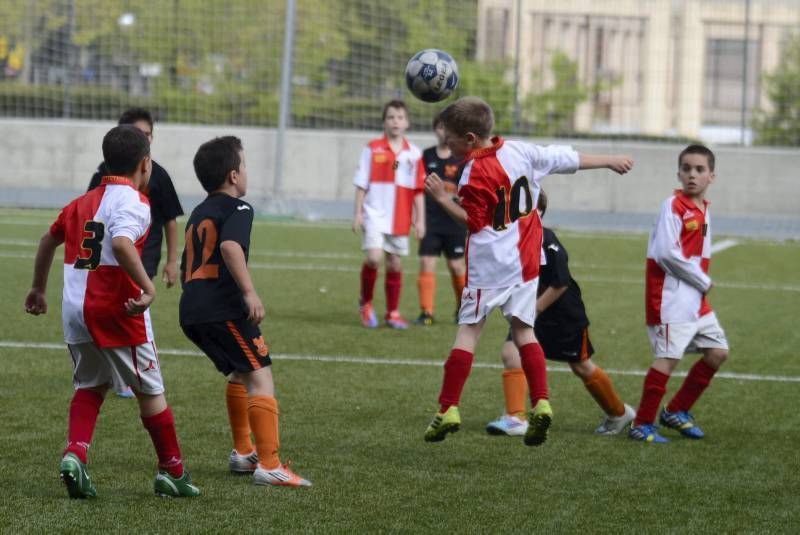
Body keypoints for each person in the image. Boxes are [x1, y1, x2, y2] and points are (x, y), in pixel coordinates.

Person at [422, 96, 633, 446]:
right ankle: (542, 402)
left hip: (489, 265)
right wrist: (609, 160)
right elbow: (567, 158)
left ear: (471, 139)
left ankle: (448, 408)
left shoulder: (471, 172)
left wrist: (444, 201)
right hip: (525, 263)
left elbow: (474, 223)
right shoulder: (521, 150)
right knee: (524, 333)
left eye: (452, 141)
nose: (449, 146)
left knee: (469, 333)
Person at [24, 125, 200, 499]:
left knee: (90, 385)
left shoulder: (80, 203)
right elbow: (121, 243)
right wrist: (148, 287)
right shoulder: (135, 202)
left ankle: (75, 454)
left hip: (77, 311)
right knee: (150, 390)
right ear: (145, 164)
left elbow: (47, 240)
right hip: (120, 311)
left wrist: (38, 287)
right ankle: (173, 471)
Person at [179, 136, 311, 487]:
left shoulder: (199, 211)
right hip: (222, 307)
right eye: (246, 166)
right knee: (260, 373)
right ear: (234, 176)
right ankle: (269, 464)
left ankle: (243, 453)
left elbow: (187, 263)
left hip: (192, 309)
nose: (247, 173)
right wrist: (249, 292)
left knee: (241, 372)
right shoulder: (239, 208)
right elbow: (229, 246)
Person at [485, 190, 635, 437]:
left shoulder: (547, 239)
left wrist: (534, 310)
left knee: (581, 366)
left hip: (564, 315)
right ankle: (515, 418)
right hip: (532, 313)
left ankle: (619, 413)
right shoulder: (511, 241)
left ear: (538, 212)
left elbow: (560, 283)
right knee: (511, 353)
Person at [629, 144, 729, 444]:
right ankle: (642, 423)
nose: (692, 175)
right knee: (667, 359)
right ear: (678, 173)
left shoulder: (704, 209)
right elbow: (664, 253)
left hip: (695, 302)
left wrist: (699, 286)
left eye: (699, 170)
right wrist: (701, 279)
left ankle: (677, 410)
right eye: (686, 169)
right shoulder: (672, 206)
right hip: (670, 301)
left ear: (712, 175)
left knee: (717, 353)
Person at [89, 108, 183, 399]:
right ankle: (124, 374)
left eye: (145, 134)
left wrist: (171, 261)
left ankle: (131, 375)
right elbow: (90, 214)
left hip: (144, 256)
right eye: (135, 134)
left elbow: (170, 218)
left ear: (152, 138)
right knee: (115, 311)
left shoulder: (158, 175)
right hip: (107, 259)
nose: (141, 139)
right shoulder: (102, 176)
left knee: (133, 307)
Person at [352, 99, 425, 330]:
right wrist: (358, 213)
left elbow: (418, 191)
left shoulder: (414, 154)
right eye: (391, 117)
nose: (396, 121)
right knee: (374, 258)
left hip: (400, 217)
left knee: (394, 263)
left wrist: (420, 219)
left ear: (407, 123)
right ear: (384, 121)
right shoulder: (372, 148)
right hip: (374, 213)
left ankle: (392, 312)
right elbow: (362, 183)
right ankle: (366, 303)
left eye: (400, 117)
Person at [415, 112, 467, 326]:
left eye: (448, 128)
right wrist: (417, 218)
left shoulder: (462, 159)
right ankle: (426, 312)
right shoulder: (425, 156)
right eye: (440, 128)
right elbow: (416, 185)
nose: (444, 132)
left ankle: (462, 309)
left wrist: (456, 197)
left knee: (456, 266)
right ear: (435, 130)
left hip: (454, 221)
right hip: (431, 219)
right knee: (427, 262)